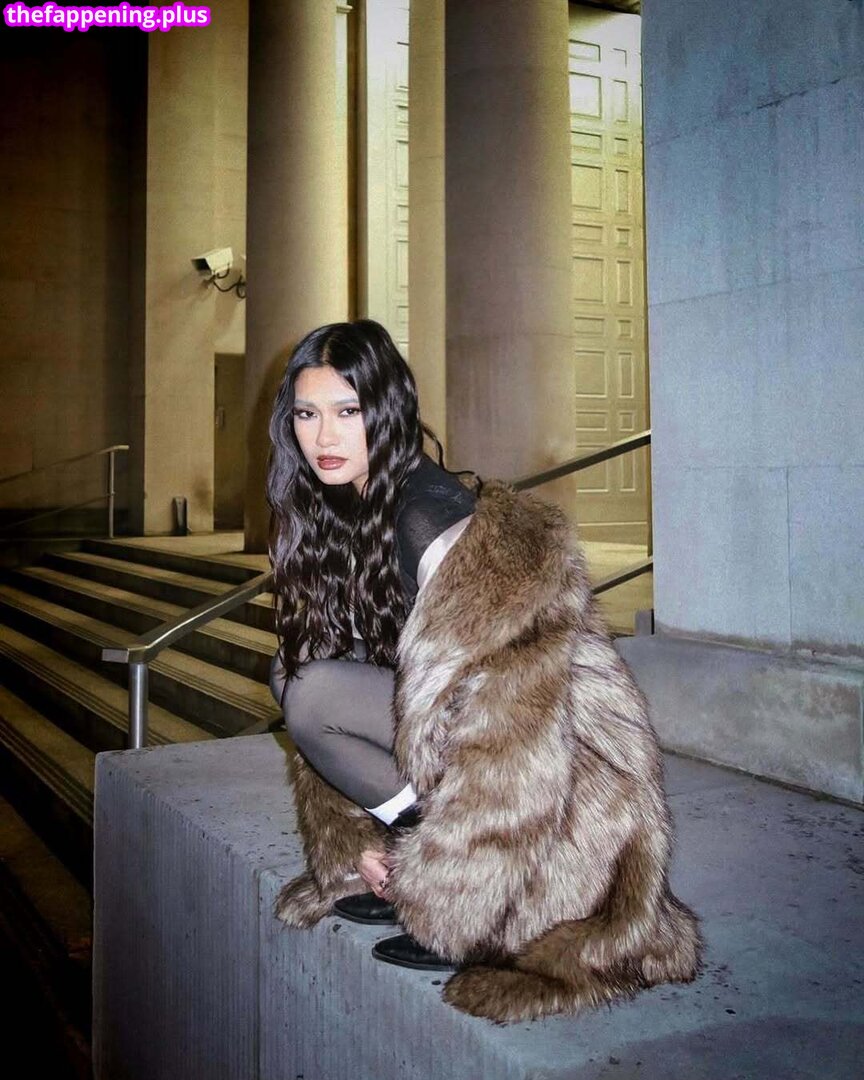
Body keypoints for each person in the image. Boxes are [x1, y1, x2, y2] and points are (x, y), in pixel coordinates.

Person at [268, 319, 701, 1023]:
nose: (325, 437)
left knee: (315, 697)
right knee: (291, 675)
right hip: (456, 739)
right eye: (307, 414)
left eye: (348, 411)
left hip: (555, 773)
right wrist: (376, 839)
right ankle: (409, 852)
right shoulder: (349, 503)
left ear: (386, 411)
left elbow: (507, 722)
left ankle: (467, 903)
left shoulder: (425, 519)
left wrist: (448, 884)